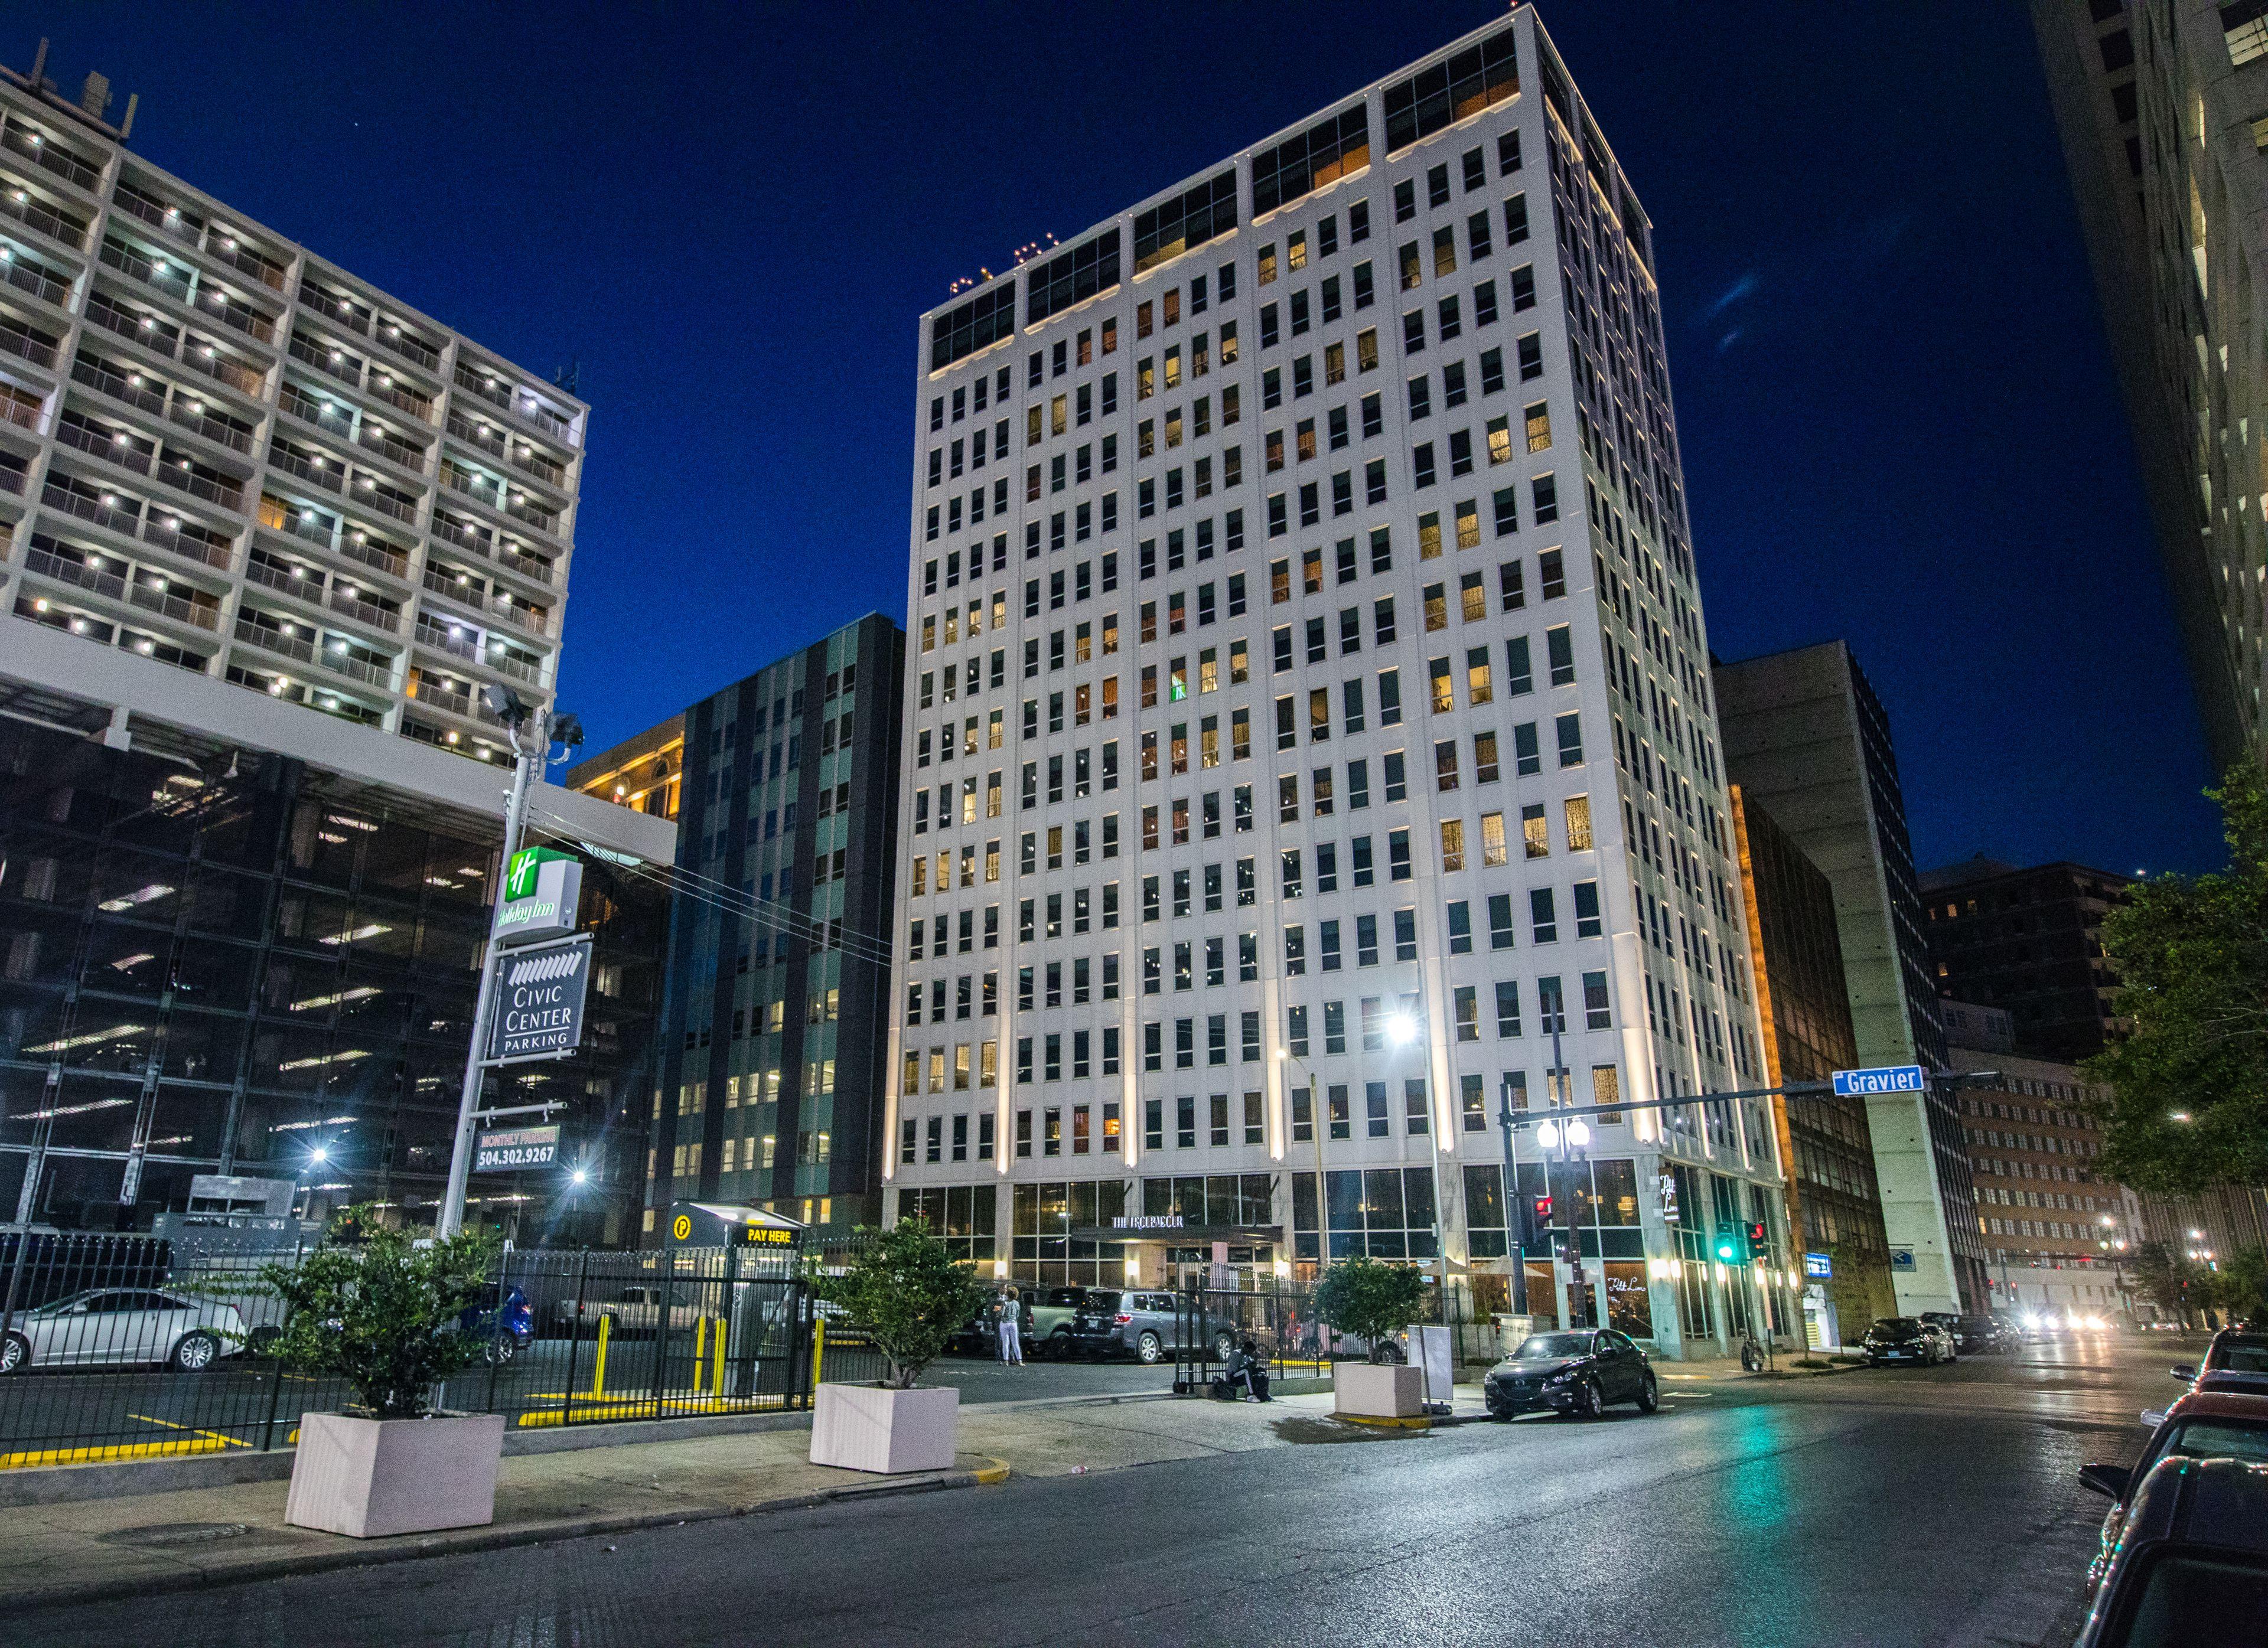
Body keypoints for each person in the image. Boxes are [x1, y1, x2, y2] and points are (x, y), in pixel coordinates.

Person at [996, 1287, 1024, 1366]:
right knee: (1015, 1343)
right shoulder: (1017, 1303)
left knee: (1006, 1343)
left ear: (1008, 1294)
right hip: (1014, 1323)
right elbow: (1018, 1315)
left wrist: (998, 1314)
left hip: (1005, 1323)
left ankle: (1006, 1361)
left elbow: (1002, 1314)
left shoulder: (1005, 1303)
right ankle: (1020, 1361)